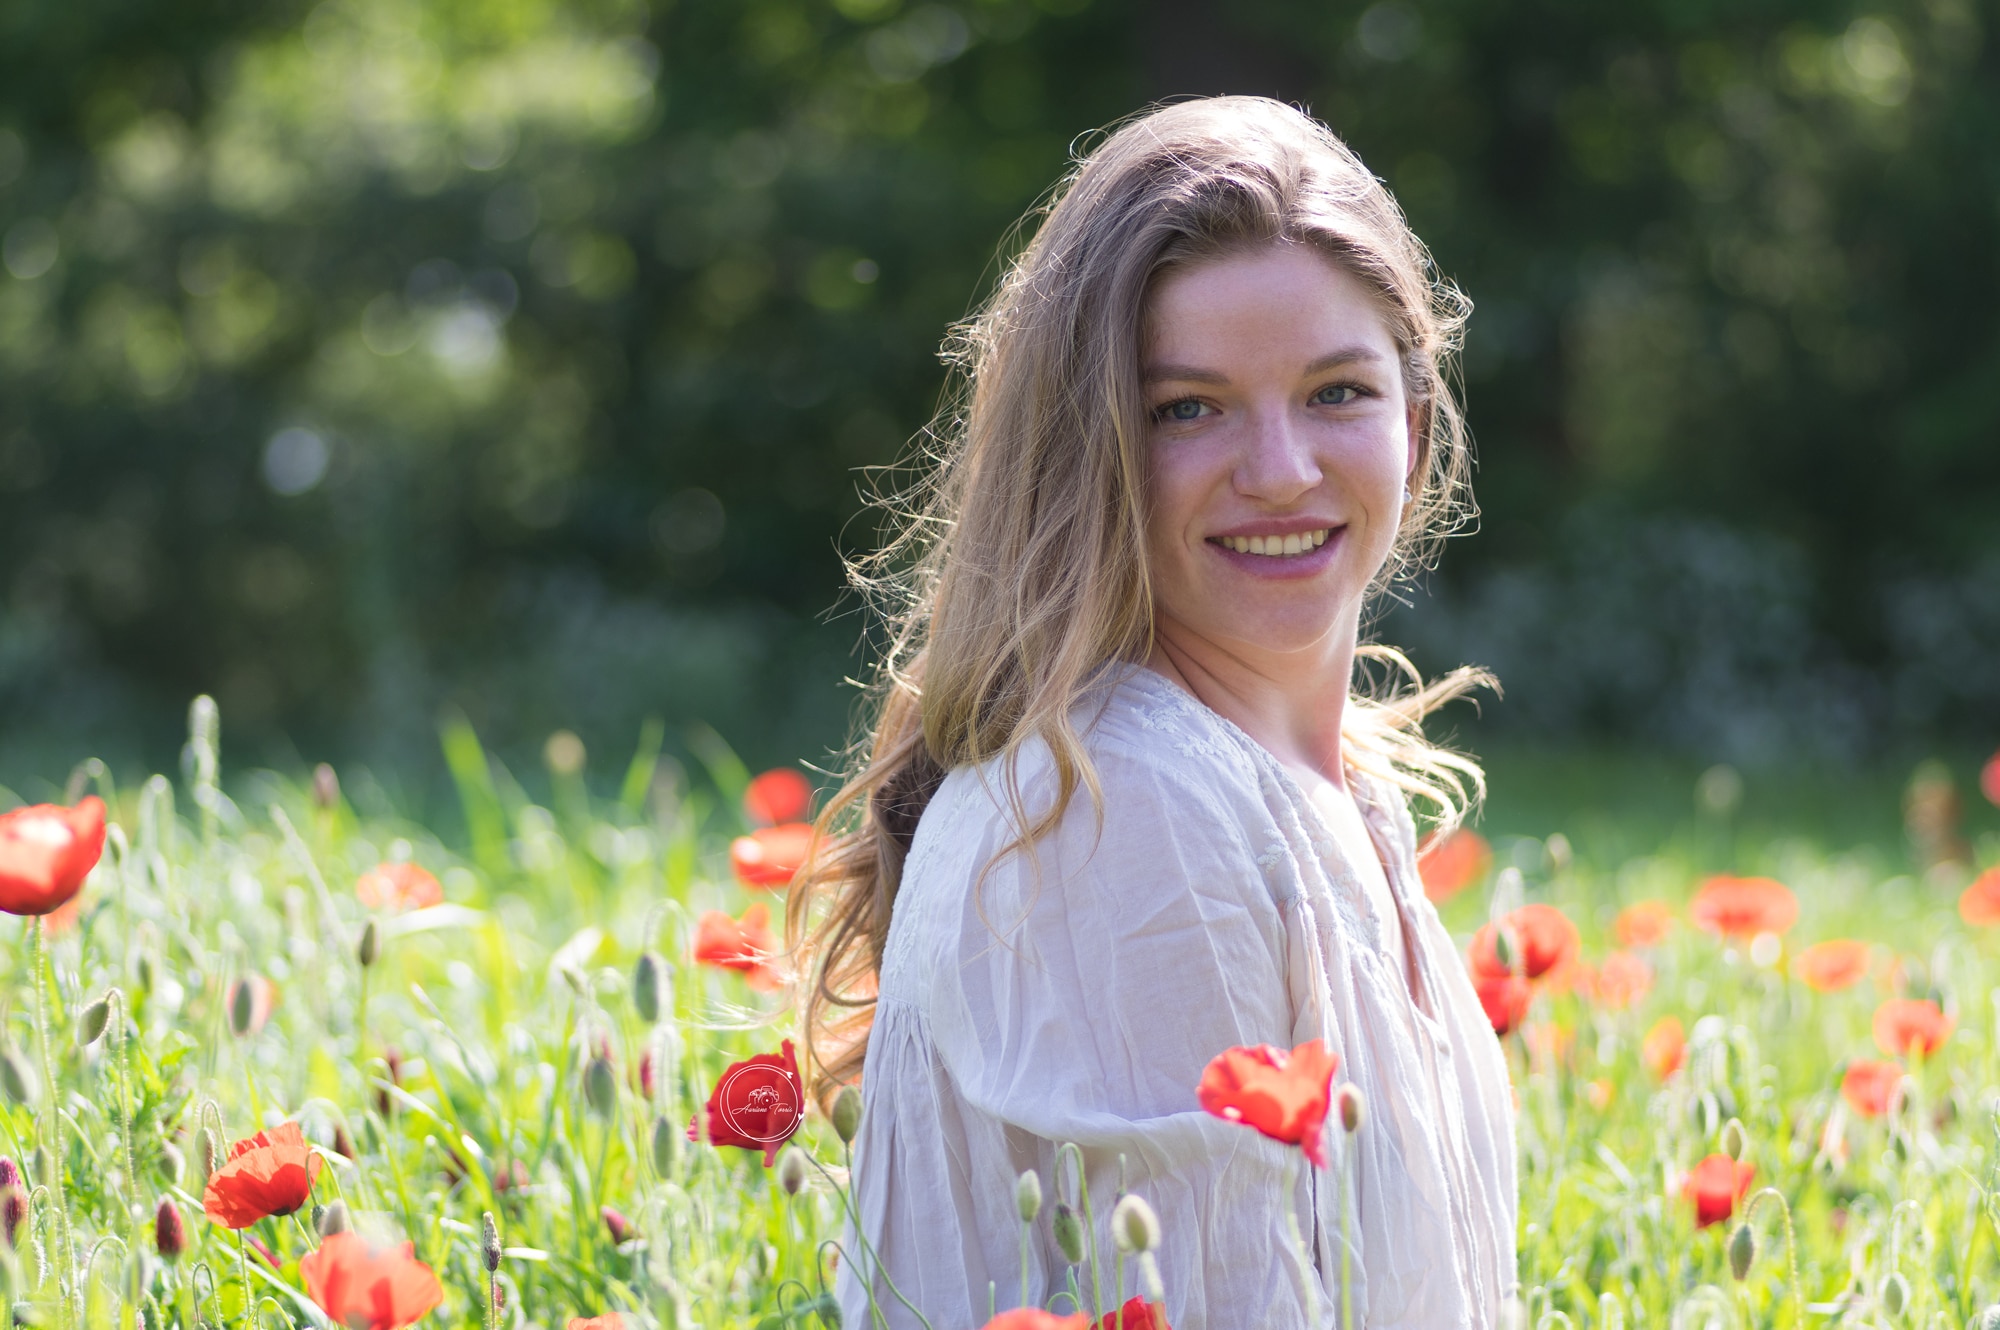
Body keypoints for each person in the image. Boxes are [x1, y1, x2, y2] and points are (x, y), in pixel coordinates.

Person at [787, 95, 1517, 1329]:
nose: (1280, 469)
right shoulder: (1120, 800)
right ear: (1087, 448)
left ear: (1418, 416)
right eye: (1188, 407)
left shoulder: (1328, 786)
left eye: (1336, 391)